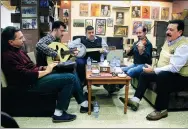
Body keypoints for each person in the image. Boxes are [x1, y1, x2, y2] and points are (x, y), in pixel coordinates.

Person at [120, 20, 188, 121]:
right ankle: (135, 100)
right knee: (144, 74)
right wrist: (153, 68)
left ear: (179, 32)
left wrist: (155, 70)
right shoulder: (169, 40)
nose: (167, 32)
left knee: (162, 76)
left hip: (181, 77)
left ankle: (161, 109)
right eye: (167, 29)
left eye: (171, 30)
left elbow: (174, 68)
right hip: (166, 72)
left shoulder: (183, 46)